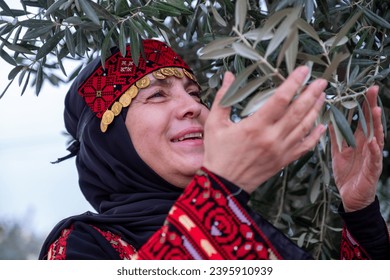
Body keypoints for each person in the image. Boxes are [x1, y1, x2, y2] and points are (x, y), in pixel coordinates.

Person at [39, 39, 390, 260]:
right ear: (110, 140)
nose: (193, 107)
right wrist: (220, 195)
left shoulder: (245, 222)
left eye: (194, 93)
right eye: (157, 94)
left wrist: (360, 213)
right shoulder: (83, 247)